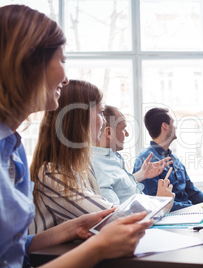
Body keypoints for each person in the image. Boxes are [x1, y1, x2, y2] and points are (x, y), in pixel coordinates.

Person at [0, 5, 151, 268]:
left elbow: (11, 250)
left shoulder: (13, 148)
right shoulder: (46, 168)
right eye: (62, 61)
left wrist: (71, 228)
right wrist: (98, 247)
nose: (65, 79)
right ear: (27, 63)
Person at [29, 81, 173, 233]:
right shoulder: (52, 174)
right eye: (99, 112)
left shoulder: (81, 166)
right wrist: (161, 203)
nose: (103, 120)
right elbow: (113, 218)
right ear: (79, 119)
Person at [133, 107, 203, 211]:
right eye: (173, 123)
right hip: (170, 217)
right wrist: (196, 209)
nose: (175, 127)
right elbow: (154, 203)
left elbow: (193, 194)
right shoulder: (146, 161)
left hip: (189, 212)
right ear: (165, 126)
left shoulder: (174, 159)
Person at [91, 105, 175, 206]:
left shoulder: (112, 157)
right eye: (123, 129)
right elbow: (115, 215)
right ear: (109, 132)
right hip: (147, 218)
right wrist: (160, 202)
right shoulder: (98, 168)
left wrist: (142, 174)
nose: (126, 134)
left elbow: (120, 186)